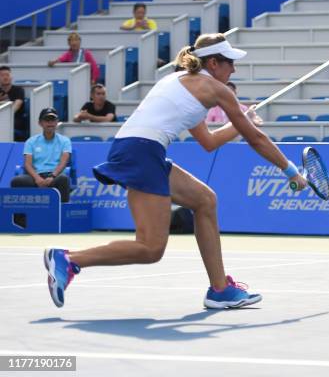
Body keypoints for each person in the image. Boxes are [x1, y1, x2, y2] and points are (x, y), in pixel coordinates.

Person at [43, 33, 308, 309]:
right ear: (214, 63)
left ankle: (219, 289)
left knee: (205, 200)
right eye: (230, 62)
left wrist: (243, 123)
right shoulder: (215, 89)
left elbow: (208, 141)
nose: (234, 69)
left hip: (138, 149)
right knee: (150, 248)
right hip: (142, 151)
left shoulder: (180, 82)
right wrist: (290, 171)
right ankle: (70, 260)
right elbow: (256, 139)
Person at [11, 108, 71, 203]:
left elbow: (63, 162)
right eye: (46, 120)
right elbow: (27, 164)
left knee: (63, 179)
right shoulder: (31, 141)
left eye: (52, 120)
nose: (50, 123)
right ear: (40, 123)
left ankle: (61, 214)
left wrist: (52, 176)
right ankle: (20, 217)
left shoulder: (65, 141)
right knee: (17, 181)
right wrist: (37, 178)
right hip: (35, 177)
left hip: (55, 177)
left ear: (57, 122)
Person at [0, 66, 27, 141]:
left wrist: (5, 116)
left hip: (15, 119)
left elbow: (17, 105)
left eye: (7, 75)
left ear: (11, 77)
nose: (5, 77)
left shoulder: (19, 90)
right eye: (2, 75)